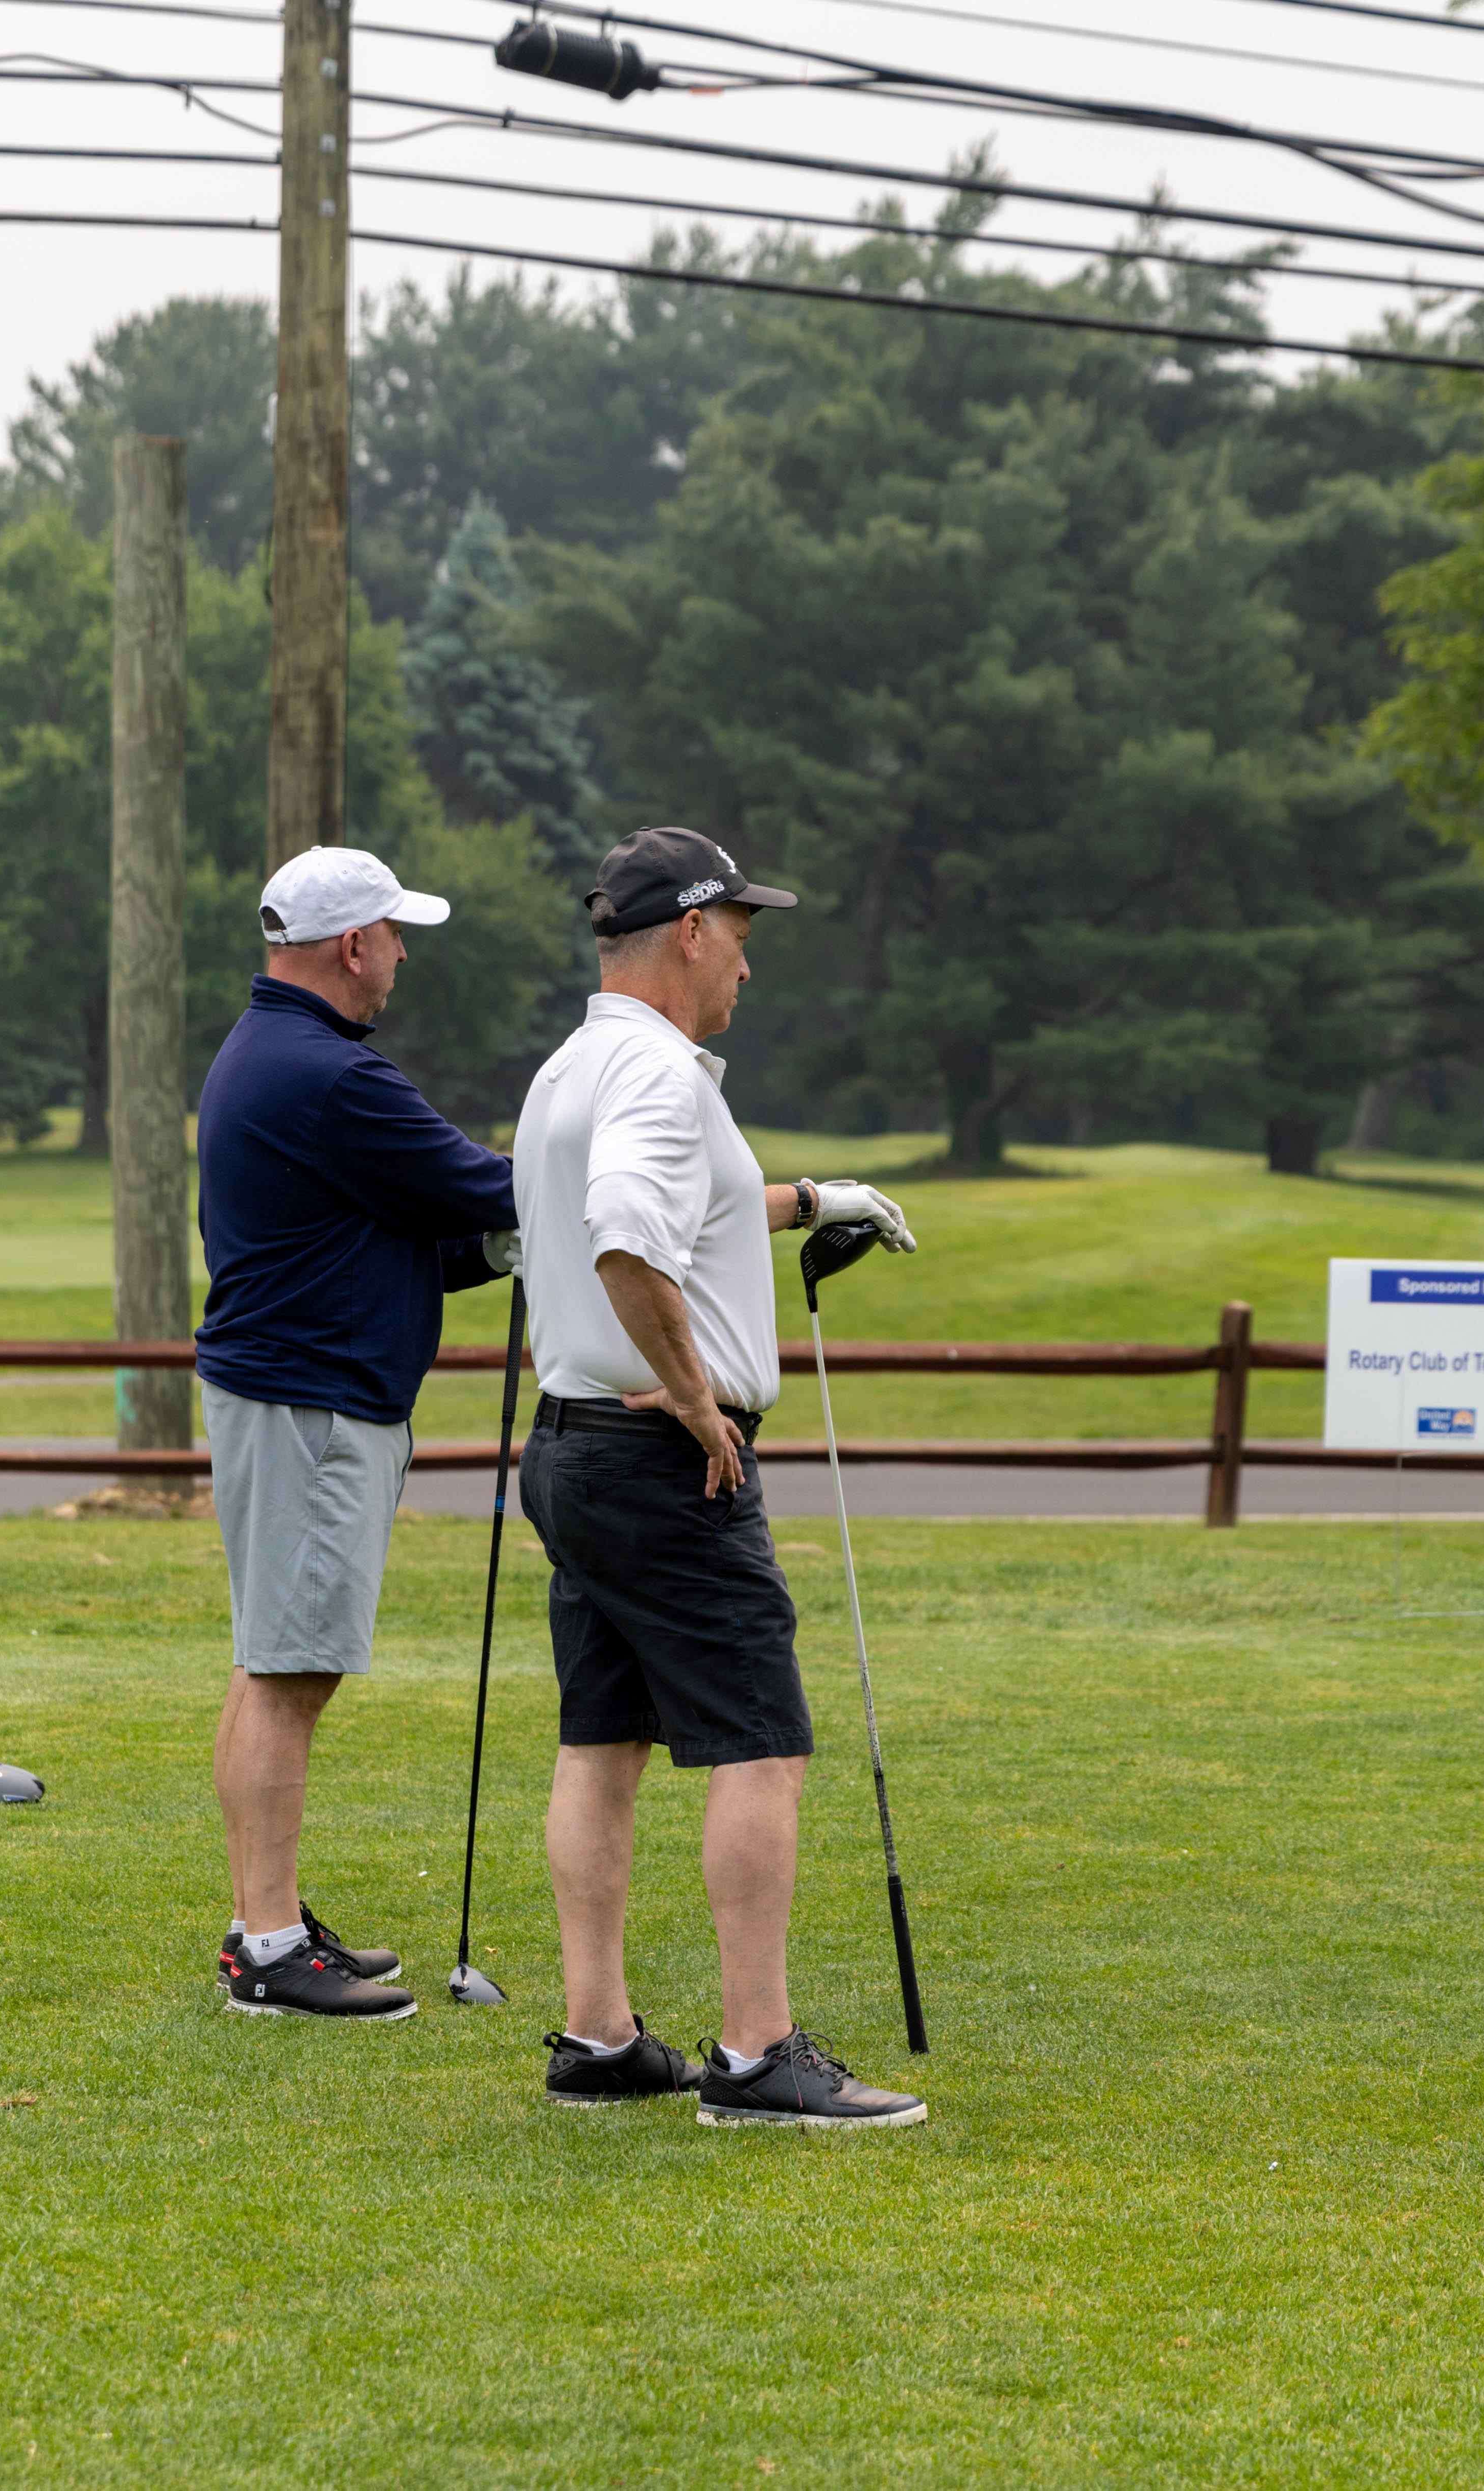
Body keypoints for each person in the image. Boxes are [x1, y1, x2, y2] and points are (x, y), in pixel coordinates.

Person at [511, 825, 931, 2127]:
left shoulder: (573, 1064)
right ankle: (755, 2055)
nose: (746, 969)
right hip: (663, 1457)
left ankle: (598, 2036)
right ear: (690, 929)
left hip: (573, 1443)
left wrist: (812, 1200)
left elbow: (667, 1211)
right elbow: (632, 1239)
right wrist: (698, 1398)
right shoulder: (657, 1074)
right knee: (762, 1740)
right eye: (740, 939)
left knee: (603, 1736)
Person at [198, 847, 517, 2018]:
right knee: (291, 1666)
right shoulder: (330, 1074)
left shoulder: (270, 1052)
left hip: (290, 1390)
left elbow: (395, 1236)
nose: (400, 955)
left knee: (271, 1656)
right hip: (312, 1404)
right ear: (350, 946)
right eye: (394, 934)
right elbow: (493, 1187)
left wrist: (487, 1246)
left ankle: (261, 1920)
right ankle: (271, 1948)